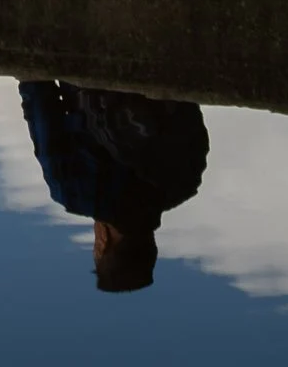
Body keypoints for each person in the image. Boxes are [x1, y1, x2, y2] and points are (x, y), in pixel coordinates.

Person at [18, 80, 210, 293]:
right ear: (102, 243)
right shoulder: (73, 192)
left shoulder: (186, 180)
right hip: (86, 70)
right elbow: (38, 98)